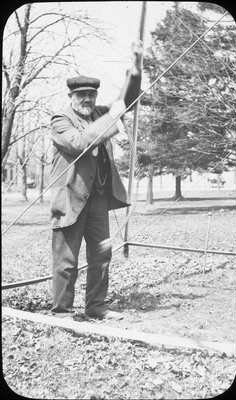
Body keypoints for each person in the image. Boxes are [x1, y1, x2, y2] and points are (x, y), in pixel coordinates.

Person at [49, 42, 142, 320]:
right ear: (71, 96)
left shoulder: (101, 113)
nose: (88, 100)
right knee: (66, 260)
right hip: (70, 199)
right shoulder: (59, 120)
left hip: (99, 198)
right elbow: (79, 143)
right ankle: (62, 312)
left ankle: (96, 307)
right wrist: (112, 117)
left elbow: (126, 102)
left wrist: (135, 70)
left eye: (91, 94)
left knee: (101, 256)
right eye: (82, 95)